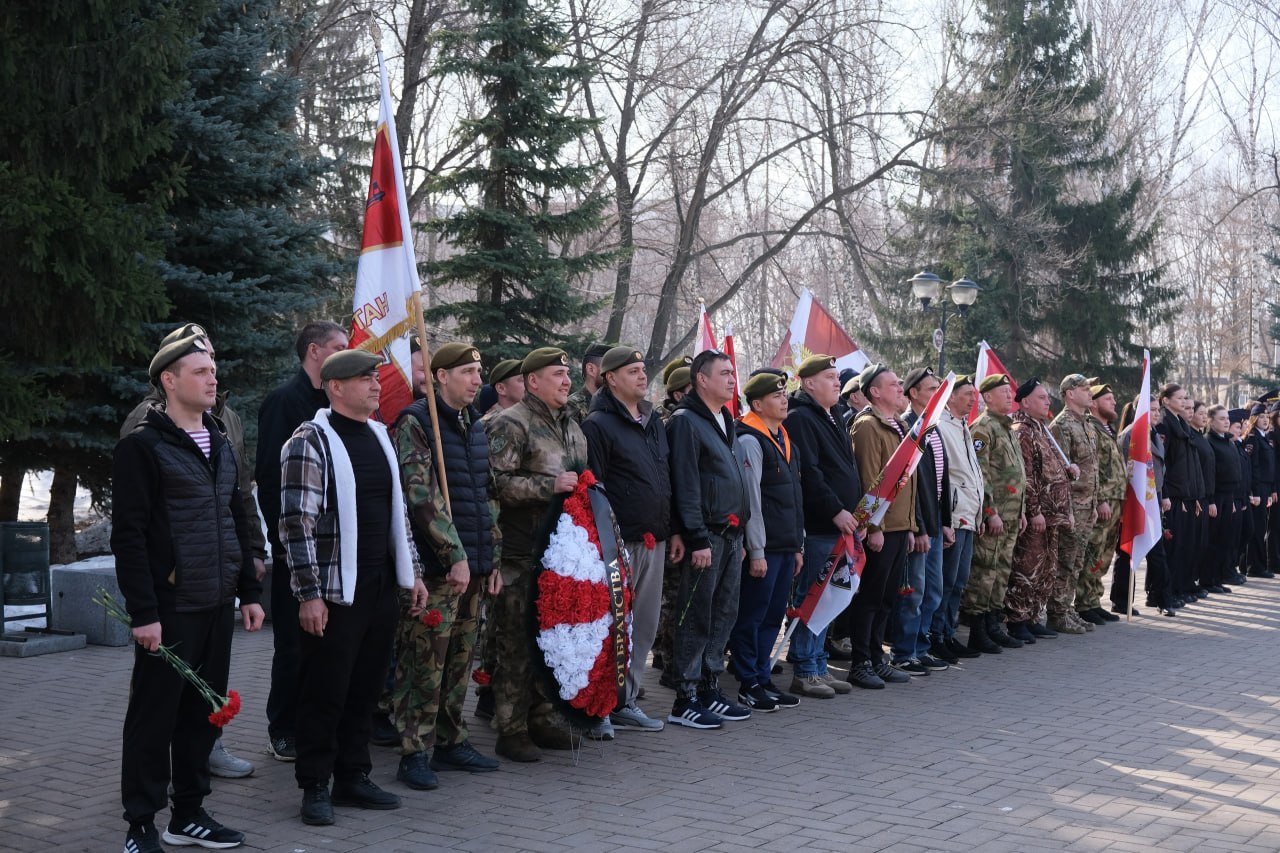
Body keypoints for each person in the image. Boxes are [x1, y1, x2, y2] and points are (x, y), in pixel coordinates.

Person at [112, 332, 265, 853]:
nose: (212, 378)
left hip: (216, 604)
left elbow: (235, 516)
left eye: (213, 370)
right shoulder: (142, 447)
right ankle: (140, 825)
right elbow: (129, 536)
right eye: (200, 371)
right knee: (153, 720)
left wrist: (249, 591)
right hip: (170, 609)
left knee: (203, 715)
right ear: (169, 380)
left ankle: (189, 815)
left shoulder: (218, 440)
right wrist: (144, 612)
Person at [280, 349, 429, 826]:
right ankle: (315, 785)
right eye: (365, 379)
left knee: (366, 687)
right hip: (334, 590)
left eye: (375, 378)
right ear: (335, 387)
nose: (376, 385)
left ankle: (352, 775)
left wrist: (413, 573)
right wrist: (308, 594)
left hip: (380, 585)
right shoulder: (310, 441)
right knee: (325, 690)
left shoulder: (380, 435)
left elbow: (398, 514)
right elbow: (296, 524)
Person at [391, 343, 503, 792]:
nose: (478, 380)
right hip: (438, 570)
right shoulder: (417, 422)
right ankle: (414, 751)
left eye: (479, 371)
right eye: (468, 372)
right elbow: (421, 496)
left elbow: (487, 494)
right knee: (426, 661)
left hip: (473, 565)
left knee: (459, 659)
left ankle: (451, 739)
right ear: (441, 376)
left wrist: (490, 558)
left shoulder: (473, 423)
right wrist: (453, 554)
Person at [486, 347, 589, 760]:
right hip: (520, 554)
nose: (566, 381)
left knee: (552, 640)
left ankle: (544, 718)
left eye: (567, 374)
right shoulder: (511, 423)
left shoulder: (572, 425)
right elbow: (495, 484)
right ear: (532, 381)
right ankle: (511, 729)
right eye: (557, 374)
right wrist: (549, 487)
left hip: (561, 554)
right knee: (516, 643)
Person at [258, 320, 348, 763]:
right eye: (339, 346)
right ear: (314, 351)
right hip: (295, 547)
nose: (346, 352)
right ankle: (283, 728)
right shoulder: (284, 402)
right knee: (293, 645)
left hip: (336, 549)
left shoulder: (336, 405)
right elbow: (271, 480)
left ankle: (318, 724)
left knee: (327, 644)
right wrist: (285, 544)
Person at [581, 345, 680, 731]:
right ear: (610, 379)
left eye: (642, 369)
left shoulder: (653, 421)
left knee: (645, 626)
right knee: (613, 627)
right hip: (618, 544)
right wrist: (605, 539)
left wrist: (673, 529)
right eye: (633, 371)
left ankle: (627, 700)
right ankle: (599, 706)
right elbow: (595, 486)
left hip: (655, 538)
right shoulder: (598, 424)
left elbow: (665, 478)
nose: (642, 376)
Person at [666, 348, 752, 728]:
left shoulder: (724, 420)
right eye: (724, 373)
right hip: (707, 537)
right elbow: (685, 485)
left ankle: (709, 687)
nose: (733, 379)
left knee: (723, 614)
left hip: (731, 535)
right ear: (701, 379)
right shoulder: (686, 422)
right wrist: (696, 537)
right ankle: (685, 697)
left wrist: (742, 533)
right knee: (697, 615)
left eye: (733, 373)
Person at [784, 354, 862, 697]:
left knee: (830, 597)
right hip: (820, 525)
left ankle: (817, 663)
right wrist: (835, 511)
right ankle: (804, 668)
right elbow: (811, 474)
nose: (837, 382)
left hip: (840, 524)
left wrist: (853, 513)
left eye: (837, 377)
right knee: (813, 596)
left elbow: (845, 469)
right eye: (829, 377)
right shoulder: (801, 417)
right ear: (809, 383)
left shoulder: (831, 415)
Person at [727, 372, 804, 711]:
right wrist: (756, 550)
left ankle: (763, 675)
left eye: (784, 394)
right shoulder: (750, 440)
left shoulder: (783, 438)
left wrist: (797, 546)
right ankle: (748, 682)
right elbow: (752, 501)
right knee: (752, 616)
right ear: (757, 404)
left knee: (773, 616)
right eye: (776, 396)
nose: (784, 400)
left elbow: (795, 497)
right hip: (765, 548)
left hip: (785, 545)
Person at [847, 363, 918, 689]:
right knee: (871, 597)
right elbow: (869, 479)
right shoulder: (867, 425)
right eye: (893, 384)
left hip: (899, 525)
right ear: (874, 392)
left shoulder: (899, 424)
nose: (900, 388)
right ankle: (861, 662)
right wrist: (874, 527)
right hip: (881, 528)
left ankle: (878, 658)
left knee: (887, 598)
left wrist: (911, 525)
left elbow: (907, 480)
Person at [472, 355, 525, 722]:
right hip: (500, 533)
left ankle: (491, 691)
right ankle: (488, 692)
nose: (527, 385)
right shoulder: (492, 424)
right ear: (502, 388)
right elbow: (494, 484)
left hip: (515, 535)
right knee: (498, 621)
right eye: (520, 380)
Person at [959, 373, 1027, 653]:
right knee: (984, 572)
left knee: (1001, 572)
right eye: (1003, 392)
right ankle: (977, 631)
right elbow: (981, 474)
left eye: (1010, 392)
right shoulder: (983, 428)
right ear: (987, 397)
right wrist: (990, 512)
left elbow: (1017, 474)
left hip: (1011, 515)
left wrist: (1022, 511)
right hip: (995, 516)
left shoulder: (1007, 427)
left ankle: (993, 625)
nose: (1010, 396)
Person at [892, 366, 951, 676]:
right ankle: (904, 652)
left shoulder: (933, 426)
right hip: (919, 526)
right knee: (913, 592)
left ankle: (921, 647)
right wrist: (918, 527)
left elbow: (942, 480)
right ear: (913, 393)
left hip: (935, 522)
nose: (937, 394)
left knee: (933, 591)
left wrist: (946, 521)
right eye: (931, 389)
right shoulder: (909, 428)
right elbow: (909, 484)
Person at [1005, 379, 1073, 638]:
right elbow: (1027, 477)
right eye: (1042, 398)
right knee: (1027, 567)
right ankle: (1017, 620)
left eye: (1047, 397)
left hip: (1052, 514)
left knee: (1045, 569)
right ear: (1025, 402)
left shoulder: (1041, 428)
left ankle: (1033, 616)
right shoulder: (1023, 430)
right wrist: (1034, 512)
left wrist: (1068, 471)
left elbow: (1050, 468)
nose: (1048, 402)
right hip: (1039, 515)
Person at [932, 375, 983, 662]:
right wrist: (947, 518)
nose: (973, 399)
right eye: (967, 394)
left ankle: (948, 633)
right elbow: (945, 476)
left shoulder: (962, 426)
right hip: (954, 515)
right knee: (947, 580)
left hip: (968, 513)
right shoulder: (941, 426)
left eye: (973, 395)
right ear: (950, 397)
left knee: (960, 580)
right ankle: (936, 636)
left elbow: (971, 474)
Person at [1048, 374, 1100, 634]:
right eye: (1084, 388)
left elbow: (1092, 469)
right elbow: (1060, 473)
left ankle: (1067, 609)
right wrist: (1066, 510)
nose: (1090, 392)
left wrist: (1095, 503)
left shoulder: (1087, 424)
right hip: (1072, 506)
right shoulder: (1062, 425)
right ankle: (1057, 613)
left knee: (1077, 561)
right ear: (1070, 393)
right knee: (1066, 561)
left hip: (1087, 506)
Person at [1077, 382, 1125, 625]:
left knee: (1104, 555)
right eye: (1108, 399)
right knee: (1093, 552)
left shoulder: (1108, 430)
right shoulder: (1091, 429)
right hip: (1103, 502)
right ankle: (1084, 603)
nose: (1114, 402)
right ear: (1094, 403)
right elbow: (1092, 469)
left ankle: (1094, 600)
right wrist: (1101, 500)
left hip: (1116, 500)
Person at [1156, 384, 1204, 607]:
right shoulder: (1165, 423)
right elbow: (1162, 463)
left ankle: (1178, 588)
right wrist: (1166, 493)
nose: (1185, 402)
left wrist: (1192, 496)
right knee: (1171, 548)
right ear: (1166, 400)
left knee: (1182, 547)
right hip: (1171, 495)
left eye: (1186, 398)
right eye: (1180, 398)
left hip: (1183, 495)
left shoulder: (1180, 423)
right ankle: (1163, 592)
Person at [1205, 405, 1243, 595]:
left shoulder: (1228, 441)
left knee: (1225, 539)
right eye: (1221, 418)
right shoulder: (1209, 441)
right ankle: (1208, 579)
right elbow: (1210, 473)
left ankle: (1218, 578)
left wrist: (1234, 499)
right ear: (1211, 421)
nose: (1226, 422)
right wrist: (1211, 500)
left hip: (1229, 496)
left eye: (1227, 418)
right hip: (1216, 496)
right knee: (1214, 540)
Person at [1241, 405, 1275, 579]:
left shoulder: (1264, 437)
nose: (1265, 419)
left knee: (1261, 527)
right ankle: (1255, 566)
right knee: (1257, 528)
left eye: (1267, 416)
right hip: (1258, 488)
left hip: (1265, 487)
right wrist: (1254, 492)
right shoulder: (1253, 438)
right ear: (1254, 419)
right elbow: (1252, 467)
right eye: (1261, 416)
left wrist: (1270, 490)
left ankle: (1256, 564)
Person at [565, 342, 611, 423]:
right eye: (610, 369)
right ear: (591, 369)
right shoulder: (573, 407)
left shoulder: (614, 404)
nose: (614, 376)